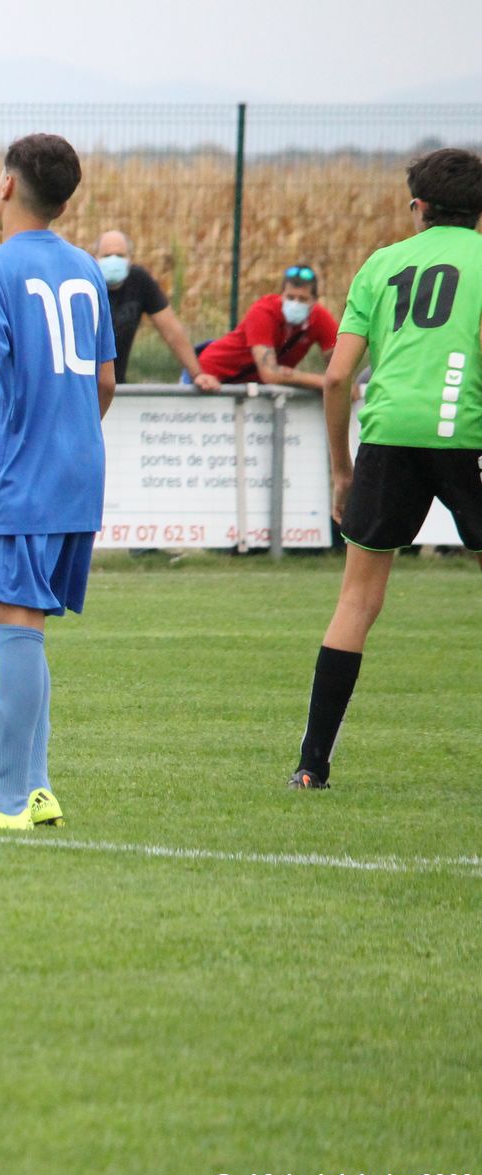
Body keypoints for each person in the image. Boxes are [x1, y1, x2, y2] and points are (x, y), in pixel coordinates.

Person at [290, 147, 482, 790]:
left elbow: (336, 377)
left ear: (417, 207)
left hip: (388, 435)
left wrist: (342, 470)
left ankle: (311, 766)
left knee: (357, 601)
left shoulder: (381, 263)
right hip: (465, 433)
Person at [0, 133, 116, 830]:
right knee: (31, 625)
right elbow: (105, 380)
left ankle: (10, 801)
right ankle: (37, 788)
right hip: (81, 471)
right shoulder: (87, 268)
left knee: (14, 622)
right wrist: (72, 433)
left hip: (26, 474)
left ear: (8, 186)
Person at [93, 230, 218, 390]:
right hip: (84, 382)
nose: (113, 260)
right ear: (95, 258)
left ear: (130, 259)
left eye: (120, 255)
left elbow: (171, 331)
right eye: (106, 256)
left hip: (117, 385)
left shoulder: (139, 281)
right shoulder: (85, 282)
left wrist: (197, 374)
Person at [195, 264, 338, 389]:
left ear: (314, 301)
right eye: (290, 297)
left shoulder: (320, 317)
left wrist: (337, 383)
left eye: (302, 299)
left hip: (252, 388)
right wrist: (325, 382)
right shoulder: (263, 312)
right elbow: (270, 374)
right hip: (209, 378)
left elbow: (339, 366)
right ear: (282, 295)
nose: (295, 304)